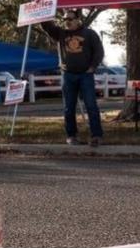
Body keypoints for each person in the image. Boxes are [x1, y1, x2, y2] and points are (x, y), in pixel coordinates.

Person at [40, 9, 105, 146]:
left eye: (70, 19)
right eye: (64, 19)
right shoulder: (61, 34)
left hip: (85, 75)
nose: (67, 22)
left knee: (91, 105)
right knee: (69, 107)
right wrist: (42, 11)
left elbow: (99, 51)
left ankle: (96, 136)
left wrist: (92, 67)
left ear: (77, 19)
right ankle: (71, 136)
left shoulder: (89, 34)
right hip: (68, 75)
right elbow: (47, 26)